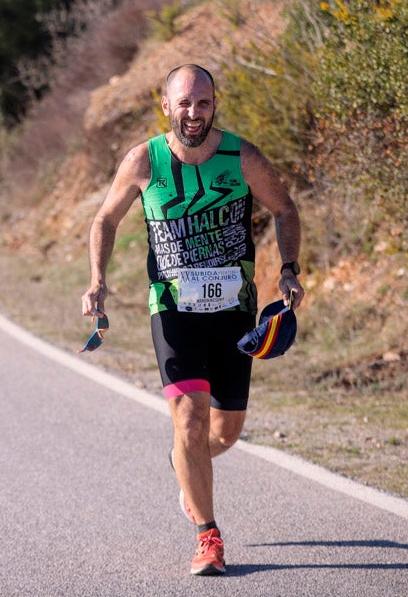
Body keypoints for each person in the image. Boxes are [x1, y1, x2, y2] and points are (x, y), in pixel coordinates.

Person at [80, 63, 305, 576]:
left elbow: (285, 209)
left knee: (222, 434)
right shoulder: (145, 160)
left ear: (214, 104)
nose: (194, 113)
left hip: (235, 313)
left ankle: (186, 461)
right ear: (166, 105)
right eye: (184, 103)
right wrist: (97, 279)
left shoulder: (241, 156)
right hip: (173, 310)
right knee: (189, 420)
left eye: (203, 103)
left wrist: (288, 268)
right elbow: (105, 218)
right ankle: (209, 537)